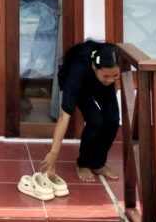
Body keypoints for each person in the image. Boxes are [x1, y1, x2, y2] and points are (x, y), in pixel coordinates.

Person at [38, 40, 121, 182]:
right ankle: (84, 164)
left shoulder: (112, 65)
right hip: (82, 89)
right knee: (95, 120)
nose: (110, 79)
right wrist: (53, 153)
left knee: (113, 119)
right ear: (94, 67)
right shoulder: (77, 72)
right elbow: (64, 116)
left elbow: (112, 80)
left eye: (115, 75)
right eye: (106, 75)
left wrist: (111, 81)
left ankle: (98, 164)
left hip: (101, 87)